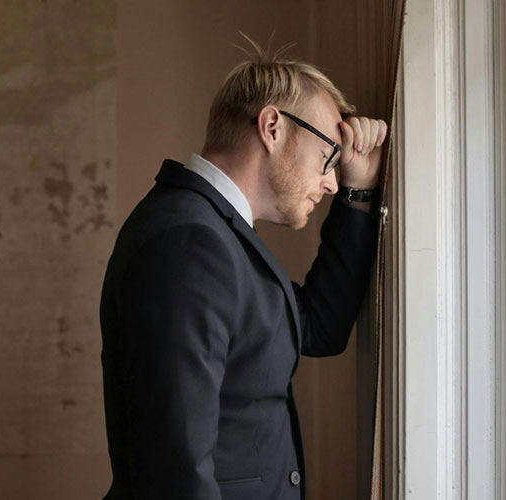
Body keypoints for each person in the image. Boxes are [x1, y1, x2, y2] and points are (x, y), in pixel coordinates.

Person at [99, 43, 387, 500]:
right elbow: (175, 468)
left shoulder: (214, 232)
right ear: (272, 127)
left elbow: (317, 328)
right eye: (328, 156)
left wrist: (359, 191)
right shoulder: (189, 241)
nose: (331, 181)